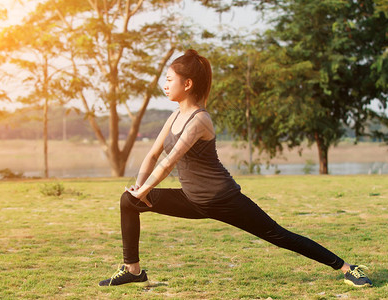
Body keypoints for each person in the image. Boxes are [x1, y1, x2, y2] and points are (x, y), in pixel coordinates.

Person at [98, 49, 372, 288]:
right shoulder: (174, 117)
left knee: (278, 235)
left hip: (223, 199)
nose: (165, 85)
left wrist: (145, 190)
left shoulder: (199, 120)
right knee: (128, 201)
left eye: (169, 80)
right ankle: (133, 271)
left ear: (188, 83)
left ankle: (347, 268)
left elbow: (168, 163)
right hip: (192, 200)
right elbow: (153, 154)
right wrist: (139, 188)